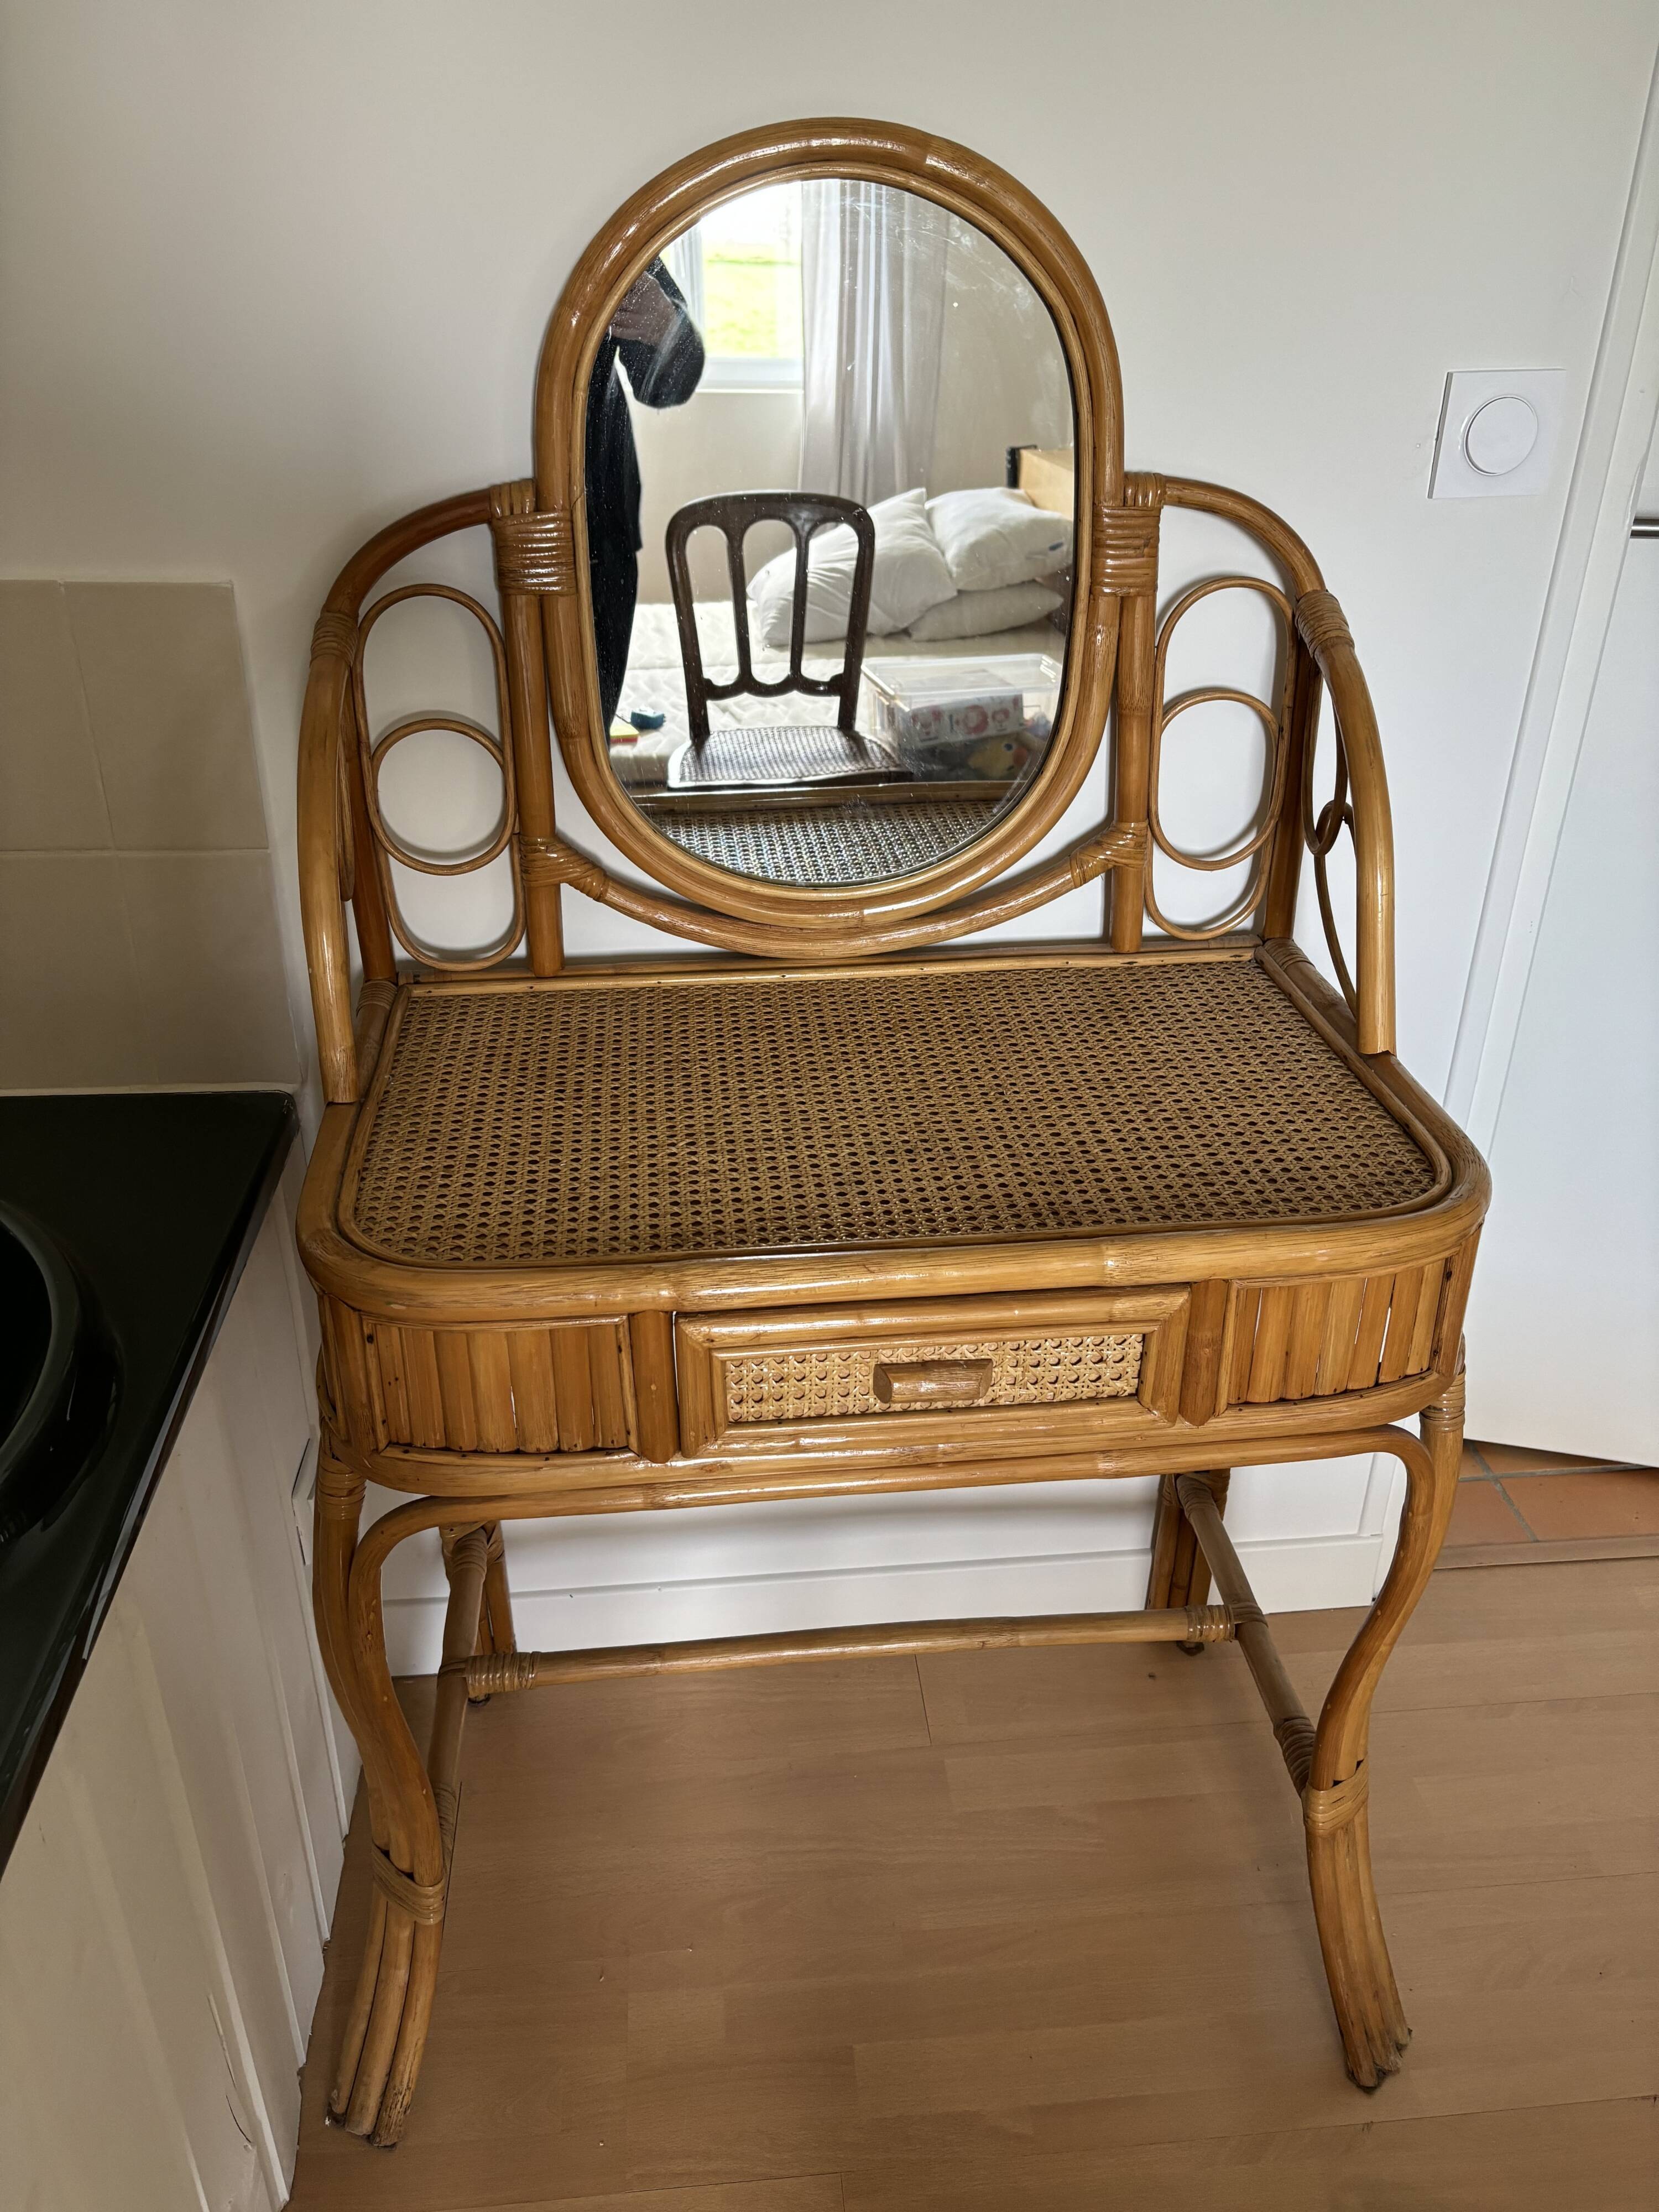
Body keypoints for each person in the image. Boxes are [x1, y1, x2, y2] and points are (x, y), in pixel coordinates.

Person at [585, 259, 704, 731]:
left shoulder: (604, 219)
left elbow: (670, 387)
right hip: (484, 492)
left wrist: (667, 329)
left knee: (593, 714)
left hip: (603, 517)